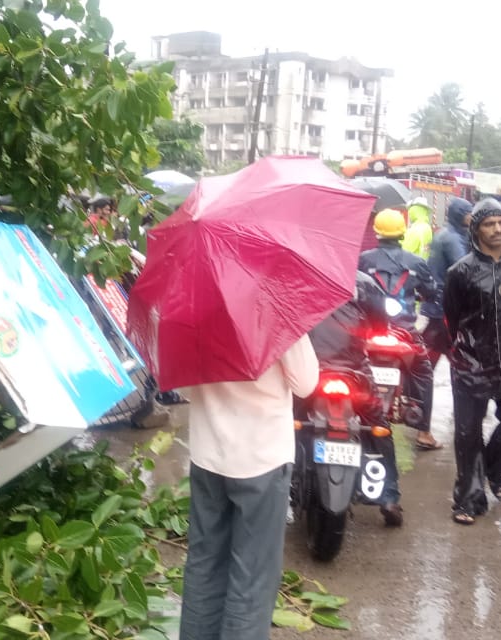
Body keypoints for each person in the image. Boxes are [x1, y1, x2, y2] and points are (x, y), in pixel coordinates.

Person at [178, 335, 318, 640]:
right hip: (262, 457)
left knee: (203, 567)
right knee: (252, 579)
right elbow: (305, 383)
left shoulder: (188, 303)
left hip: (208, 454)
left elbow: (182, 388)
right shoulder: (274, 300)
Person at [443, 198, 501, 525]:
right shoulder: (461, 272)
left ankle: (494, 469)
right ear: (476, 230)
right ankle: (468, 498)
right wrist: (467, 349)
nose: (497, 230)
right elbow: (452, 319)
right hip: (471, 361)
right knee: (467, 432)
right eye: (488, 224)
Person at [307, 272, 404, 525]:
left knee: (286, 420)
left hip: (309, 374)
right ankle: (389, 497)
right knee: (379, 426)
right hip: (355, 376)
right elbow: (380, 328)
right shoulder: (365, 283)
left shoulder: (299, 274)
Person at [359, 209, 441, 451]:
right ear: (402, 233)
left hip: (369, 331)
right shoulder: (416, 262)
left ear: (377, 233)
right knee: (423, 373)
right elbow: (430, 292)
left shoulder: (363, 259)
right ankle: (424, 432)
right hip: (403, 332)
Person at [424, 197, 474, 368]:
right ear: (460, 215)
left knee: (437, 344)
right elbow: (464, 267)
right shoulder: (452, 239)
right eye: (469, 213)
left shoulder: (451, 234)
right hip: (445, 301)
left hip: (439, 300)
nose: (472, 217)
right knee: (442, 345)